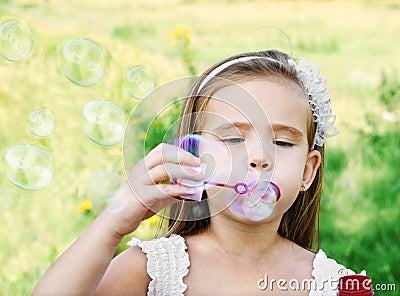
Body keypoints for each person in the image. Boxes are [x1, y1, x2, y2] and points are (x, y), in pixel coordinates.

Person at [33, 50, 366, 296]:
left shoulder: (338, 287)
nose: (259, 158)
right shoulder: (152, 270)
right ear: (193, 156)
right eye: (233, 138)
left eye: (281, 141)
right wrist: (114, 222)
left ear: (308, 171)